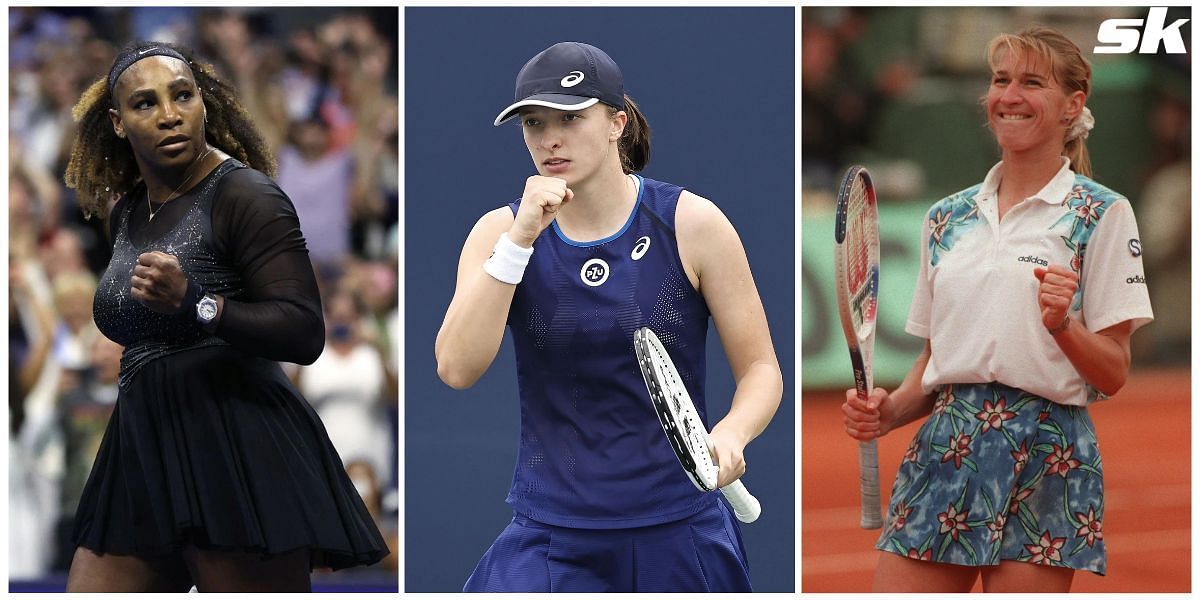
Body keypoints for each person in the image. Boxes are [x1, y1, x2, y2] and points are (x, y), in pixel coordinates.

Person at [435, 42, 783, 593]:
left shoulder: (693, 223)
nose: (549, 138)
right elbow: (456, 367)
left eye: (570, 118)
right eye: (533, 122)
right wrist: (521, 238)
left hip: (682, 532)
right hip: (550, 537)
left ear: (617, 121)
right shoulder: (498, 234)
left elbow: (762, 368)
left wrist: (734, 434)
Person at [61, 41, 387, 592]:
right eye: (145, 104)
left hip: (235, 446)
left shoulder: (246, 196)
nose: (169, 114)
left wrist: (197, 303)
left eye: (182, 95)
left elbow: (304, 330)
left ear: (203, 104)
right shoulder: (127, 212)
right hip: (142, 446)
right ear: (117, 123)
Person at [842, 27, 1153, 593]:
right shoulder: (946, 217)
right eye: (1000, 80)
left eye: (1031, 82)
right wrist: (891, 410)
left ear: (1072, 104)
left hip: (1050, 453)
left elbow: (1114, 369)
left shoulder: (1103, 213)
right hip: (947, 443)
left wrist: (1063, 327)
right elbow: (934, 364)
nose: (1009, 95)